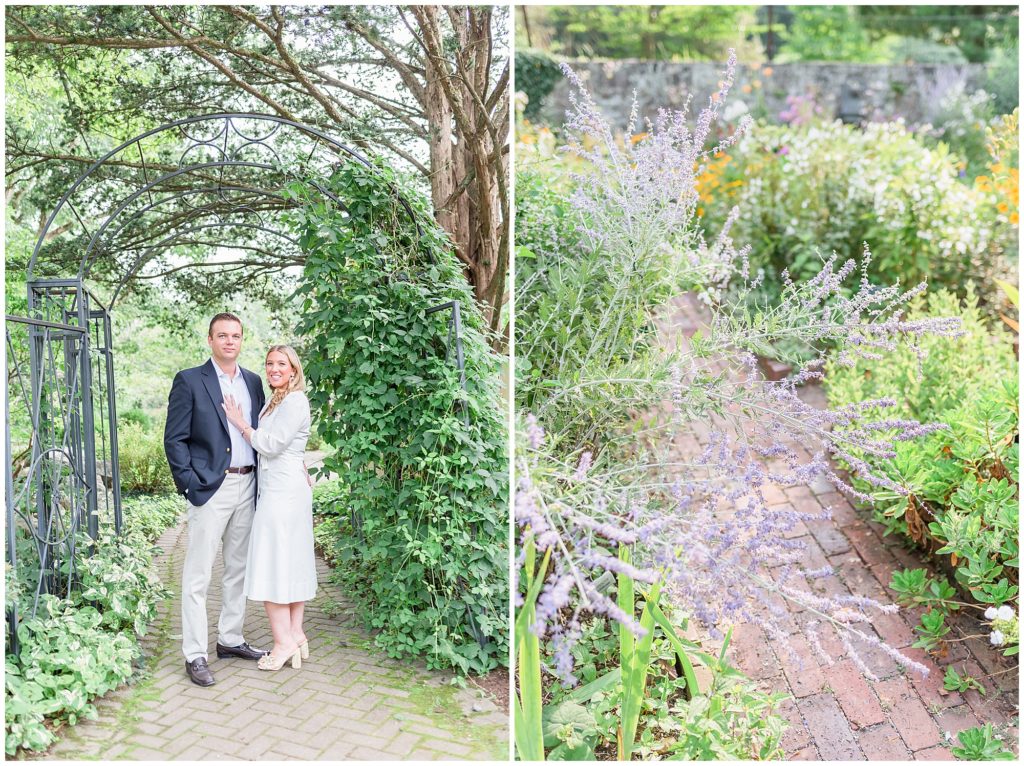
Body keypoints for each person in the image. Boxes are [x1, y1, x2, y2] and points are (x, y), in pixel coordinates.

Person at [164, 312, 268, 687]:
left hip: (247, 487)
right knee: (197, 576)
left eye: (235, 335)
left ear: (242, 340)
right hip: (211, 488)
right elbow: (174, 439)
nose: (229, 341)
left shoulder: (254, 382)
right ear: (210, 340)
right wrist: (190, 483)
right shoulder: (190, 380)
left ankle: (230, 639)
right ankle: (195, 654)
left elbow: (259, 432)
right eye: (222, 335)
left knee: (237, 569)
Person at [222, 344, 317, 671]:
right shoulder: (279, 399)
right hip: (282, 487)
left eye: (281, 363)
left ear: (294, 369)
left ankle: (282, 644)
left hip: (283, 494)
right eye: (270, 363)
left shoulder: (295, 400)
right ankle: (295, 634)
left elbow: (271, 445)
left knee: (272, 564)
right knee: (288, 561)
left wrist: (240, 424)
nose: (274, 368)